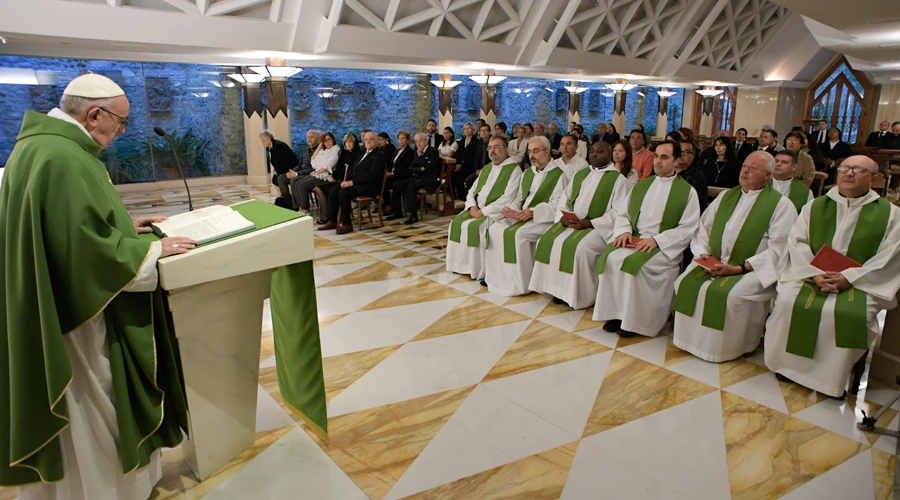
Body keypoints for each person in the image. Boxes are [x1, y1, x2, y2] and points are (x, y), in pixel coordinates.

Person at [1, 73, 194, 499]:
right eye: (120, 123)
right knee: (91, 395)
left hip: (47, 298)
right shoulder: (62, 157)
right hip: (73, 316)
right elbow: (83, 250)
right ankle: (103, 489)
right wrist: (150, 253)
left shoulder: (43, 147)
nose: (120, 131)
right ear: (94, 115)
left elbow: (70, 227)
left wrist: (126, 227)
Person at [764, 155, 900, 399]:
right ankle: (788, 368)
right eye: (844, 168)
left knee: (847, 314)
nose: (849, 173)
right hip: (810, 274)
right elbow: (797, 242)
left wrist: (850, 277)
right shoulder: (815, 206)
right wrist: (814, 274)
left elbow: (889, 257)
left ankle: (831, 380)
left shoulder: (891, 215)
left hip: (862, 282)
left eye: (858, 170)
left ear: (875, 178)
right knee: (786, 302)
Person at [672, 152, 796, 362]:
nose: (745, 171)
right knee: (683, 282)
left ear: (768, 175)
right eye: (744, 166)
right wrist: (704, 255)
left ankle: (731, 347)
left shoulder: (781, 206)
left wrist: (740, 268)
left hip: (750, 269)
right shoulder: (725, 197)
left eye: (753, 168)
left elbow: (779, 249)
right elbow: (703, 228)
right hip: (714, 261)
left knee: (731, 295)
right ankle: (690, 341)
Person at [593, 140, 701, 337]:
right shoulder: (642, 185)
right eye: (656, 156)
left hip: (662, 245)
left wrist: (657, 241)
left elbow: (688, 227)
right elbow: (623, 214)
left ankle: (635, 321)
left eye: (664, 157)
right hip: (634, 238)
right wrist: (624, 231)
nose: (658, 161)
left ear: (677, 161)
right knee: (611, 258)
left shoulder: (687, 192)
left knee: (634, 264)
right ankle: (616, 315)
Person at [529, 141, 629, 309]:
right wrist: (563, 217)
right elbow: (564, 199)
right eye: (592, 151)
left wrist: (590, 222)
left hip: (596, 227)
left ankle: (579, 296)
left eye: (600, 151)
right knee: (546, 240)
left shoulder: (619, 180)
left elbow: (619, 212)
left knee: (579, 248)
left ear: (610, 155)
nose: (594, 154)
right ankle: (556, 289)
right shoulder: (581, 174)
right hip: (572, 222)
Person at [483, 136, 569, 295]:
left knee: (518, 234)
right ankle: (500, 278)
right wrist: (511, 209)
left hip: (543, 219)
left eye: (536, 151)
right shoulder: (527, 173)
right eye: (530, 152)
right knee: (495, 229)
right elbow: (520, 198)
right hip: (522, 215)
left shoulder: (559, 175)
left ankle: (522, 283)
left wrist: (533, 212)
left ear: (547, 151)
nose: (532, 155)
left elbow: (557, 206)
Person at [446, 135, 522, 280]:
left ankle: (475, 269)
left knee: (477, 228)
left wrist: (483, 211)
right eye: (490, 147)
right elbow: (472, 191)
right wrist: (472, 207)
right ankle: (459, 265)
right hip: (477, 210)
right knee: (455, 224)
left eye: (497, 147)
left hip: (494, 213)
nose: (492, 151)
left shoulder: (514, 170)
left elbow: (508, 197)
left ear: (506, 150)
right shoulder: (487, 168)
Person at [318, 131, 386, 235]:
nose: (367, 141)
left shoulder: (378, 156)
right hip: (358, 184)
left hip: (369, 186)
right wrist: (345, 181)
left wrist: (352, 182)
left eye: (371, 139)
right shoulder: (363, 152)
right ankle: (333, 220)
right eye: (366, 139)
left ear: (377, 141)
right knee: (333, 190)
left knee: (344, 193)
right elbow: (353, 169)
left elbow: (371, 176)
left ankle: (347, 224)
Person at [386, 132, 441, 225]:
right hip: (417, 177)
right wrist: (421, 168)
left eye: (420, 141)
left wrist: (420, 158)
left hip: (428, 179)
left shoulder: (433, 151)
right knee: (396, 185)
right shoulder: (417, 151)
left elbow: (429, 168)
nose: (418, 144)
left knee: (410, 187)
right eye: (416, 141)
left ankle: (413, 215)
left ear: (426, 141)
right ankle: (397, 211)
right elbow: (411, 167)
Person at [315, 133, 360, 224]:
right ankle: (325, 214)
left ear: (354, 143)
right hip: (338, 178)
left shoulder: (357, 155)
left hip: (346, 180)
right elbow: (339, 168)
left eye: (351, 142)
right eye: (346, 142)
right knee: (319, 188)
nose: (348, 144)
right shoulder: (343, 153)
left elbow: (352, 172)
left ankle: (331, 218)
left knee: (333, 190)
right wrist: (332, 176)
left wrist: (339, 180)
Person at [292, 131, 340, 214]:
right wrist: (320, 145)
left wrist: (317, 172)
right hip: (317, 173)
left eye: (329, 140)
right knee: (297, 183)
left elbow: (327, 166)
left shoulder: (335, 150)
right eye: (325, 141)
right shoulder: (323, 151)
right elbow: (313, 160)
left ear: (333, 140)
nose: (327, 142)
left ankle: (305, 209)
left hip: (325, 176)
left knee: (302, 186)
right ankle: (299, 207)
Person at [285, 130, 321, 201]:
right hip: (300, 172)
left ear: (317, 139)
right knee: (281, 178)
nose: (309, 139)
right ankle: (287, 201)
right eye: (308, 137)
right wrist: (293, 171)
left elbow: (313, 168)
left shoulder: (318, 151)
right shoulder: (305, 150)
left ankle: (298, 206)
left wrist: (297, 174)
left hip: (308, 174)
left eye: (312, 137)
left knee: (294, 181)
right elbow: (300, 164)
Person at [260, 130, 299, 197]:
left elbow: (283, 161)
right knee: (274, 180)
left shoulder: (279, 146)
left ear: (268, 139)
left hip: (292, 168)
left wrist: (278, 171)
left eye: (263, 141)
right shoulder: (272, 147)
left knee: (279, 178)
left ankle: (286, 198)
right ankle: (282, 198)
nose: (262, 143)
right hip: (283, 169)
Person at [677, 141, 708, 212]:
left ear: (693, 156)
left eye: (686, 152)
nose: (681, 154)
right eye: (679, 151)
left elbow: (700, 204)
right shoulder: (667, 172)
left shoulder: (698, 176)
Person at [455, 123, 479, 199]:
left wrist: (462, 165)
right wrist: (458, 163)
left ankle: (465, 196)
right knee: (454, 175)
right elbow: (458, 154)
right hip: (462, 165)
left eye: (469, 128)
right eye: (465, 129)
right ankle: (458, 194)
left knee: (461, 175)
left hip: (471, 166)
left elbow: (475, 156)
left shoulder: (476, 142)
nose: (467, 130)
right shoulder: (462, 141)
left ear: (472, 130)